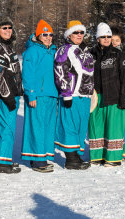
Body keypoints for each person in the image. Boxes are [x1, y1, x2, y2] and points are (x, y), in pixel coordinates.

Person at [88, 23, 125, 167]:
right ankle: (97, 156)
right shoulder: (90, 54)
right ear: (97, 38)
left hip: (114, 96)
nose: (106, 39)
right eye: (103, 37)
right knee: (96, 127)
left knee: (113, 128)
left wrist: (124, 99)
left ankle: (113, 158)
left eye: (108, 36)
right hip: (96, 96)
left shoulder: (118, 54)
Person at [54, 20, 94, 170]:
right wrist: (66, 94)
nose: (79, 35)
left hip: (85, 96)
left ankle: (76, 155)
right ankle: (70, 159)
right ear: (69, 35)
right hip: (72, 96)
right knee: (69, 125)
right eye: (75, 32)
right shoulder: (64, 50)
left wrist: (92, 93)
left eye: (81, 32)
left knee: (81, 127)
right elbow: (60, 72)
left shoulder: (85, 51)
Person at [21, 20, 58, 173]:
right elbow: (27, 74)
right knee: (36, 126)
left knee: (47, 127)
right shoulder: (32, 51)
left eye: (50, 35)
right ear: (38, 35)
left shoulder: (53, 51)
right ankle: (37, 160)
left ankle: (42, 155)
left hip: (51, 94)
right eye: (45, 35)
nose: (48, 37)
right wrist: (31, 94)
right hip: (38, 95)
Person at [0, 17, 23, 174]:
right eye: (4, 28)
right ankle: (1, 163)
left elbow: (15, 72)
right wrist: (8, 97)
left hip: (12, 95)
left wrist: (19, 90)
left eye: (9, 27)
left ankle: (3, 158)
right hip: (3, 97)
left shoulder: (8, 46)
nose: (8, 30)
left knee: (8, 128)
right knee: (5, 128)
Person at [110, 25, 125, 161]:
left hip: (122, 93)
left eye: (117, 40)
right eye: (111, 40)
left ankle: (123, 150)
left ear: (121, 42)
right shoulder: (104, 54)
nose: (114, 43)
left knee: (124, 123)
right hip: (109, 94)